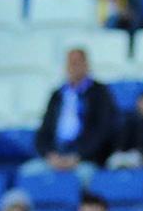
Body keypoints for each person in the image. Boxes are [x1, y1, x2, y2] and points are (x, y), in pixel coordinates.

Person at [28, 49, 117, 179]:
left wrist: (79, 155)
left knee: (85, 178)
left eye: (77, 63)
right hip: (55, 155)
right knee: (29, 174)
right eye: (70, 63)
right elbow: (44, 130)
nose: (73, 67)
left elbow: (103, 131)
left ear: (86, 65)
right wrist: (49, 155)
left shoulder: (100, 93)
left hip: (85, 159)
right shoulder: (57, 95)